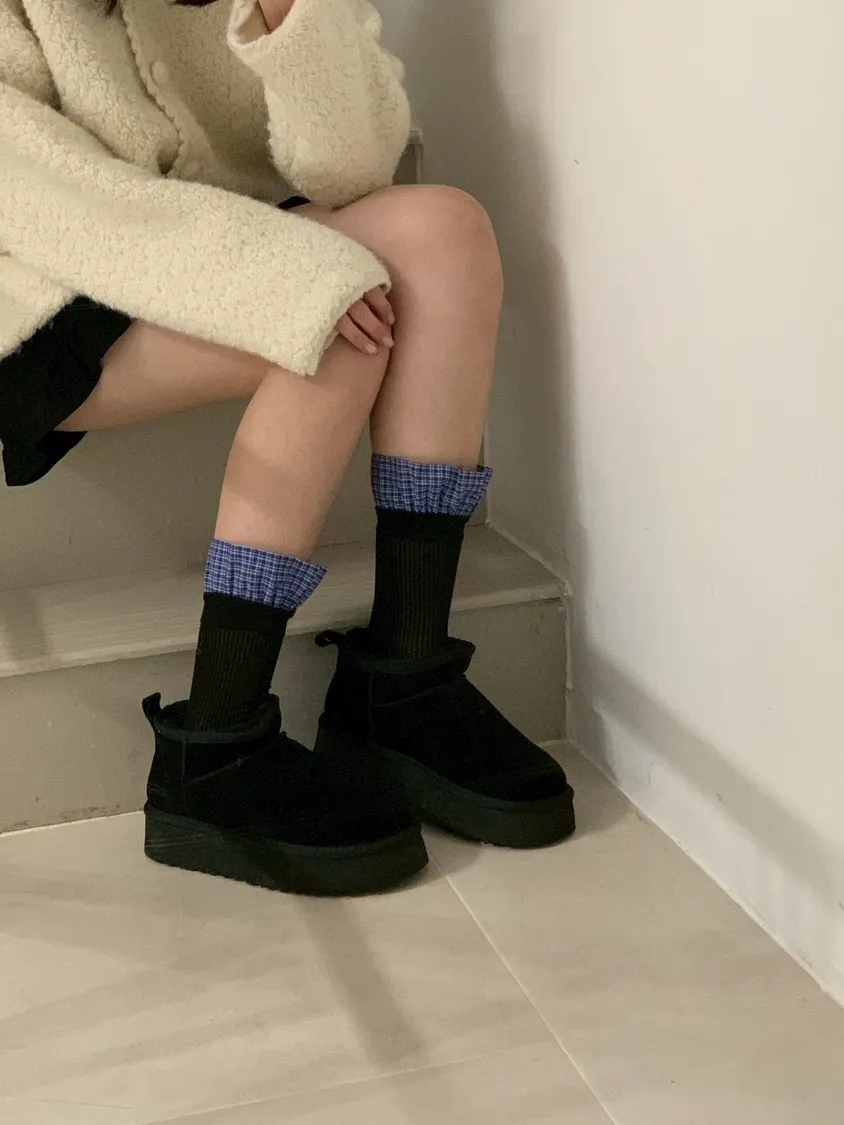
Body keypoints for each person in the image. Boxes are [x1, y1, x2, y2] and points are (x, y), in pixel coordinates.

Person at [0, 0, 575, 896]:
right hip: (53, 287)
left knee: (447, 232)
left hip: (234, 242)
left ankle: (405, 677)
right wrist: (282, 274)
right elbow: (50, 200)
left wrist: (286, 16)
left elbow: (356, 168)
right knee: (327, 317)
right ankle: (214, 743)